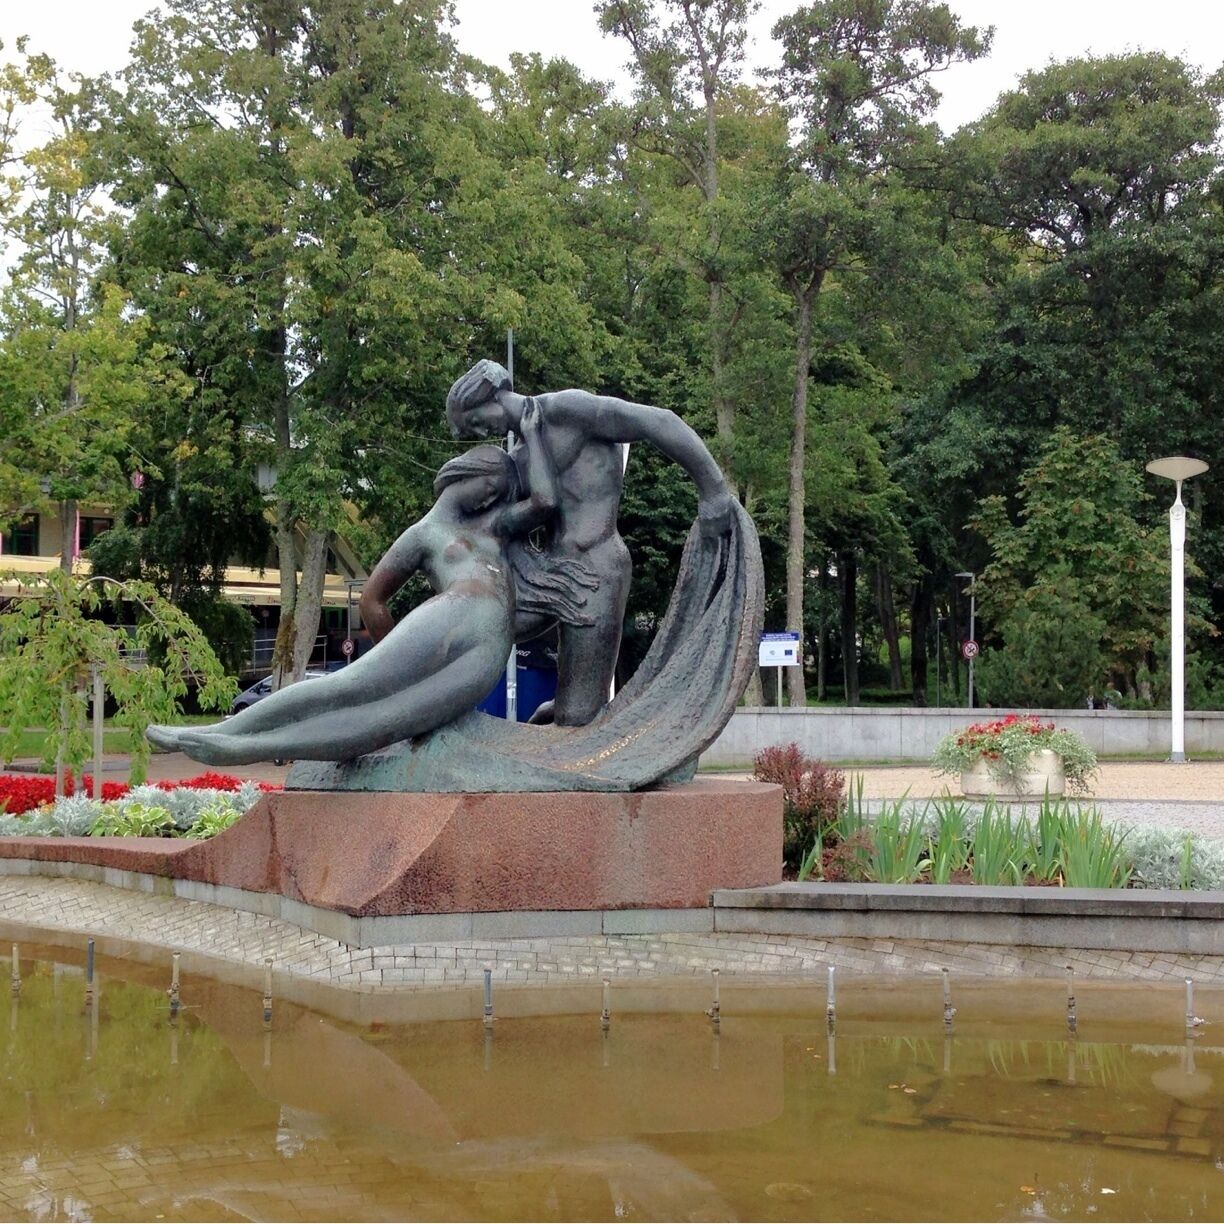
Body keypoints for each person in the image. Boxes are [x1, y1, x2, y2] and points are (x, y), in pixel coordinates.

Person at [150, 401, 591, 765]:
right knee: (350, 687)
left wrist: (532, 434)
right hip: (448, 620)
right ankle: (221, 733)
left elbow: (545, 501)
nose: (496, 497)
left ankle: (243, 748)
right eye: (494, 484)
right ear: (467, 475)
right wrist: (394, 649)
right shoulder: (424, 534)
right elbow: (373, 598)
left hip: (489, 650)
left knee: (383, 723)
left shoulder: (493, 525)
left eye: (501, 492)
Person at [445, 359, 734, 727]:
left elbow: (657, 421)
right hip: (553, 581)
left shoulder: (565, 410)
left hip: (595, 573)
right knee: (482, 637)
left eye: (473, 420)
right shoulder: (519, 454)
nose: (478, 430)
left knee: (575, 720)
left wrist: (713, 489)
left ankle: (592, 718)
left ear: (489, 398)